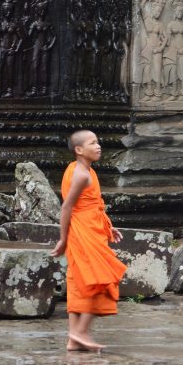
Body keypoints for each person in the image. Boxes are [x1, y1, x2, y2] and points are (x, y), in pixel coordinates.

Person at [52, 130, 126, 352]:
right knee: (99, 279)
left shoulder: (84, 170)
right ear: (79, 150)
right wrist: (63, 239)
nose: (98, 146)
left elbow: (92, 204)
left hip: (91, 228)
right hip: (82, 232)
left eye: (98, 142)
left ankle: (74, 340)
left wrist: (109, 227)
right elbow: (67, 207)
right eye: (92, 143)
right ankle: (80, 331)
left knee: (79, 281)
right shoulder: (81, 175)